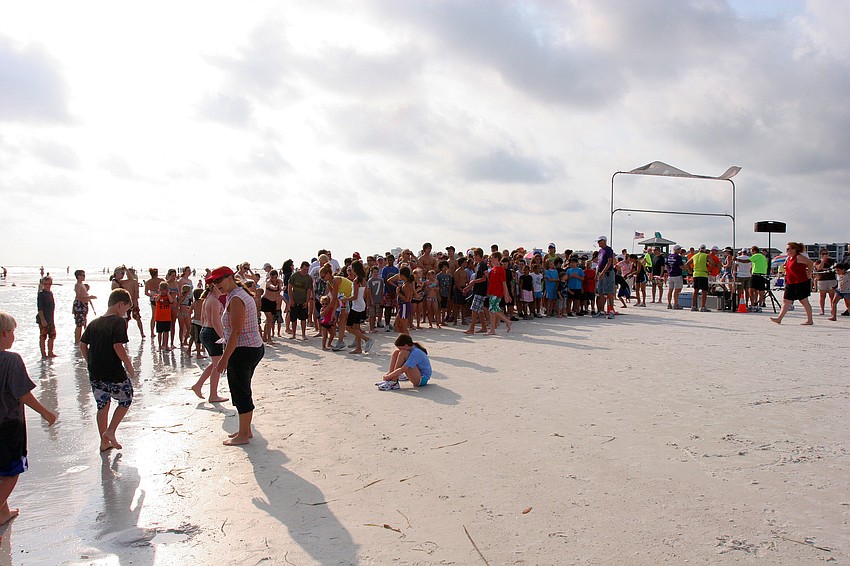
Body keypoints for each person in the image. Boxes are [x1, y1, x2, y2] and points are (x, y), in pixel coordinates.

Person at [0, 311, 57, 527]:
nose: (14, 336)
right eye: (13, 332)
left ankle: (3, 513)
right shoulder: (11, 360)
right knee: (11, 472)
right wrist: (45, 412)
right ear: (5, 333)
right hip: (8, 425)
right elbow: (23, 393)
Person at [207, 266, 264, 446]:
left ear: (230, 277)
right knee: (243, 388)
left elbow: (236, 331)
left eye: (219, 280)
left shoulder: (237, 298)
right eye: (213, 282)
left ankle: (243, 435)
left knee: (240, 392)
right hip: (251, 347)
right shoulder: (237, 294)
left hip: (243, 350)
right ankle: (244, 430)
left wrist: (224, 358)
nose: (217, 285)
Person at [80, 288, 136, 452]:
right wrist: (129, 364)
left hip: (95, 373)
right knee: (126, 398)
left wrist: (90, 361)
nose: (125, 314)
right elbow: (118, 346)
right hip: (113, 371)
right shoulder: (118, 322)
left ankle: (103, 442)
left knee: (102, 404)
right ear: (120, 305)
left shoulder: (94, 322)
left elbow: (82, 345)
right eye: (125, 309)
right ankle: (110, 431)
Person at [192, 285, 228, 403]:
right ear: (214, 288)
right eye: (220, 287)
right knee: (217, 365)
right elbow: (215, 322)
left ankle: (198, 385)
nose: (223, 289)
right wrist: (223, 337)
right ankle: (213, 395)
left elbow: (203, 319)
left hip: (205, 331)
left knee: (214, 364)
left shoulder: (207, 299)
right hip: (212, 333)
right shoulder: (214, 301)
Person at [771, 242, 814, 325]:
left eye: (788, 249)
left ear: (794, 250)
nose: (786, 250)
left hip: (800, 282)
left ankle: (810, 320)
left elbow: (811, 263)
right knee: (786, 301)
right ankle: (779, 318)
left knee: (804, 301)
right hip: (790, 283)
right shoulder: (788, 258)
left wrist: (809, 274)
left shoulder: (798, 257)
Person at [345, 261, 374, 354]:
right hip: (360, 304)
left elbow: (355, 296)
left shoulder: (356, 281)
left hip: (356, 305)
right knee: (356, 327)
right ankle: (358, 348)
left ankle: (367, 339)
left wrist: (345, 299)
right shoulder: (363, 279)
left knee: (348, 327)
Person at [685, 244, 718, 312]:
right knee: (704, 291)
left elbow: (687, 264)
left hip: (696, 274)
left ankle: (693, 306)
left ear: (699, 249)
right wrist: (709, 270)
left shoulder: (695, 256)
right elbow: (713, 263)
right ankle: (703, 306)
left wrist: (690, 271)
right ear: (705, 250)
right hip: (703, 274)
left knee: (695, 290)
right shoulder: (706, 256)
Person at [485, 252, 512, 334]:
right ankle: (493, 329)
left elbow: (504, 283)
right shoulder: (492, 269)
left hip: (497, 292)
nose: (490, 259)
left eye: (492, 257)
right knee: (493, 309)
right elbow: (491, 282)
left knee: (492, 309)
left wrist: (507, 295)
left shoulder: (501, 269)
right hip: (492, 291)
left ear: (496, 258)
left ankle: (506, 321)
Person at [287, 261, 313, 340]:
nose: (306, 271)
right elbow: (289, 288)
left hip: (303, 300)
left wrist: (307, 301)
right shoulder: (294, 276)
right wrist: (291, 299)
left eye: (307, 270)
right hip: (295, 300)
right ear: (301, 268)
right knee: (293, 319)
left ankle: (303, 334)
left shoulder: (308, 278)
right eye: (304, 269)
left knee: (303, 319)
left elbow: (309, 290)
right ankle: (294, 334)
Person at [73, 270, 97, 344]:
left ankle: (81, 339)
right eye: (82, 275)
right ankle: (77, 341)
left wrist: (89, 298)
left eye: (84, 275)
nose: (84, 276)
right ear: (78, 276)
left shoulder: (82, 285)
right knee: (79, 324)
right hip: (80, 304)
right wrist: (89, 297)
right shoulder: (78, 285)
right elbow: (78, 296)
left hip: (84, 304)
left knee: (83, 322)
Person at [595, 236, 616, 319]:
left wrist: (603, 272)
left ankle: (611, 311)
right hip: (601, 273)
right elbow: (599, 262)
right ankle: (601, 310)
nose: (598, 243)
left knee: (609, 292)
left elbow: (609, 261)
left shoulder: (608, 250)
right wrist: (598, 273)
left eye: (600, 241)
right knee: (600, 292)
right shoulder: (600, 251)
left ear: (604, 241)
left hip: (608, 273)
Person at [36, 276, 56, 358]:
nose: (47, 285)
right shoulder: (41, 294)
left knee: (52, 335)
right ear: (42, 284)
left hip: (50, 319)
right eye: (45, 284)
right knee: (43, 336)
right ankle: (43, 354)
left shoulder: (50, 293)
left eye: (49, 284)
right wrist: (43, 319)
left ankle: (50, 352)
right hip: (43, 319)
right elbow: (40, 308)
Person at [814, 249, 837, 316]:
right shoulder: (818, 261)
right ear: (821, 255)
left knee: (832, 296)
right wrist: (823, 260)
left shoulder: (832, 261)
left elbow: (833, 268)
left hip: (831, 279)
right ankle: (822, 310)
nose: (825, 255)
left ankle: (833, 310)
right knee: (822, 296)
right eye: (824, 254)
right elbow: (819, 268)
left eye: (826, 254)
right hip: (822, 279)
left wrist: (826, 269)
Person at [154, 281, 175, 351]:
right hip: (159, 317)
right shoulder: (157, 296)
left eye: (165, 290)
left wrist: (168, 293)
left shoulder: (168, 296)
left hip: (167, 317)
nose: (164, 291)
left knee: (166, 332)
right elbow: (156, 300)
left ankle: (166, 345)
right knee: (159, 333)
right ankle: (160, 346)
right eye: (162, 290)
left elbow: (171, 301)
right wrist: (160, 293)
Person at [144, 268, 163, 338]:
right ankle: (160, 331)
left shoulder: (148, 282)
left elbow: (146, 293)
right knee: (160, 315)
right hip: (161, 298)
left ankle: (152, 332)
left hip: (153, 299)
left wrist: (151, 295)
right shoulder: (161, 280)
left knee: (153, 316)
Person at [665, 245, 686, 309]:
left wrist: (669, 271)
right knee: (677, 290)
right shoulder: (678, 257)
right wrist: (687, 270)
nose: (680, 250)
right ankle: (675, 304)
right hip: (677, 275)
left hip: (670, 275)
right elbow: (681, 266)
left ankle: (669, 304)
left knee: (670, 290)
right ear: (676, 250)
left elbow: (667, 265)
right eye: (679, 249)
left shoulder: (669, 256)